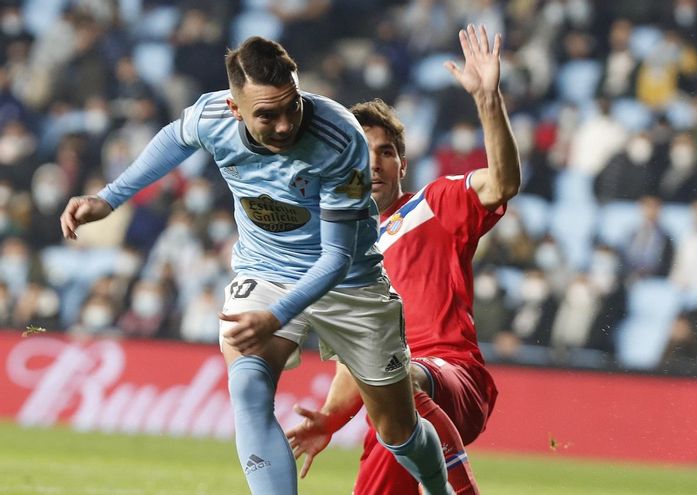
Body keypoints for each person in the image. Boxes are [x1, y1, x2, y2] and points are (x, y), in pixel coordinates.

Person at [59, 36, 451, 495]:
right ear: (235, 108)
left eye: (292, 108)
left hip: (349, 282)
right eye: (267, 115)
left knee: (398, 432)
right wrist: (108, 198)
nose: (285, 126)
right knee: (247, 385)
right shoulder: (211, 116)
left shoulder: (339, 138)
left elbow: (336, 257)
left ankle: (439, 490)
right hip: (264, 269)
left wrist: (276, 316)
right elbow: (174, 138)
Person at [286, 25, 521, 494]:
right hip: (391, 401)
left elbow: (503, 182)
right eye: (361, 153)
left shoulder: (434, 204)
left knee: (396, 376)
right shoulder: (340, 252)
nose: (374, 164)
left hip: (452, 378)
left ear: (402, 165)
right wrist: (330, 418)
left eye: (386, 152)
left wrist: (488, 101)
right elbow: (352, 361)